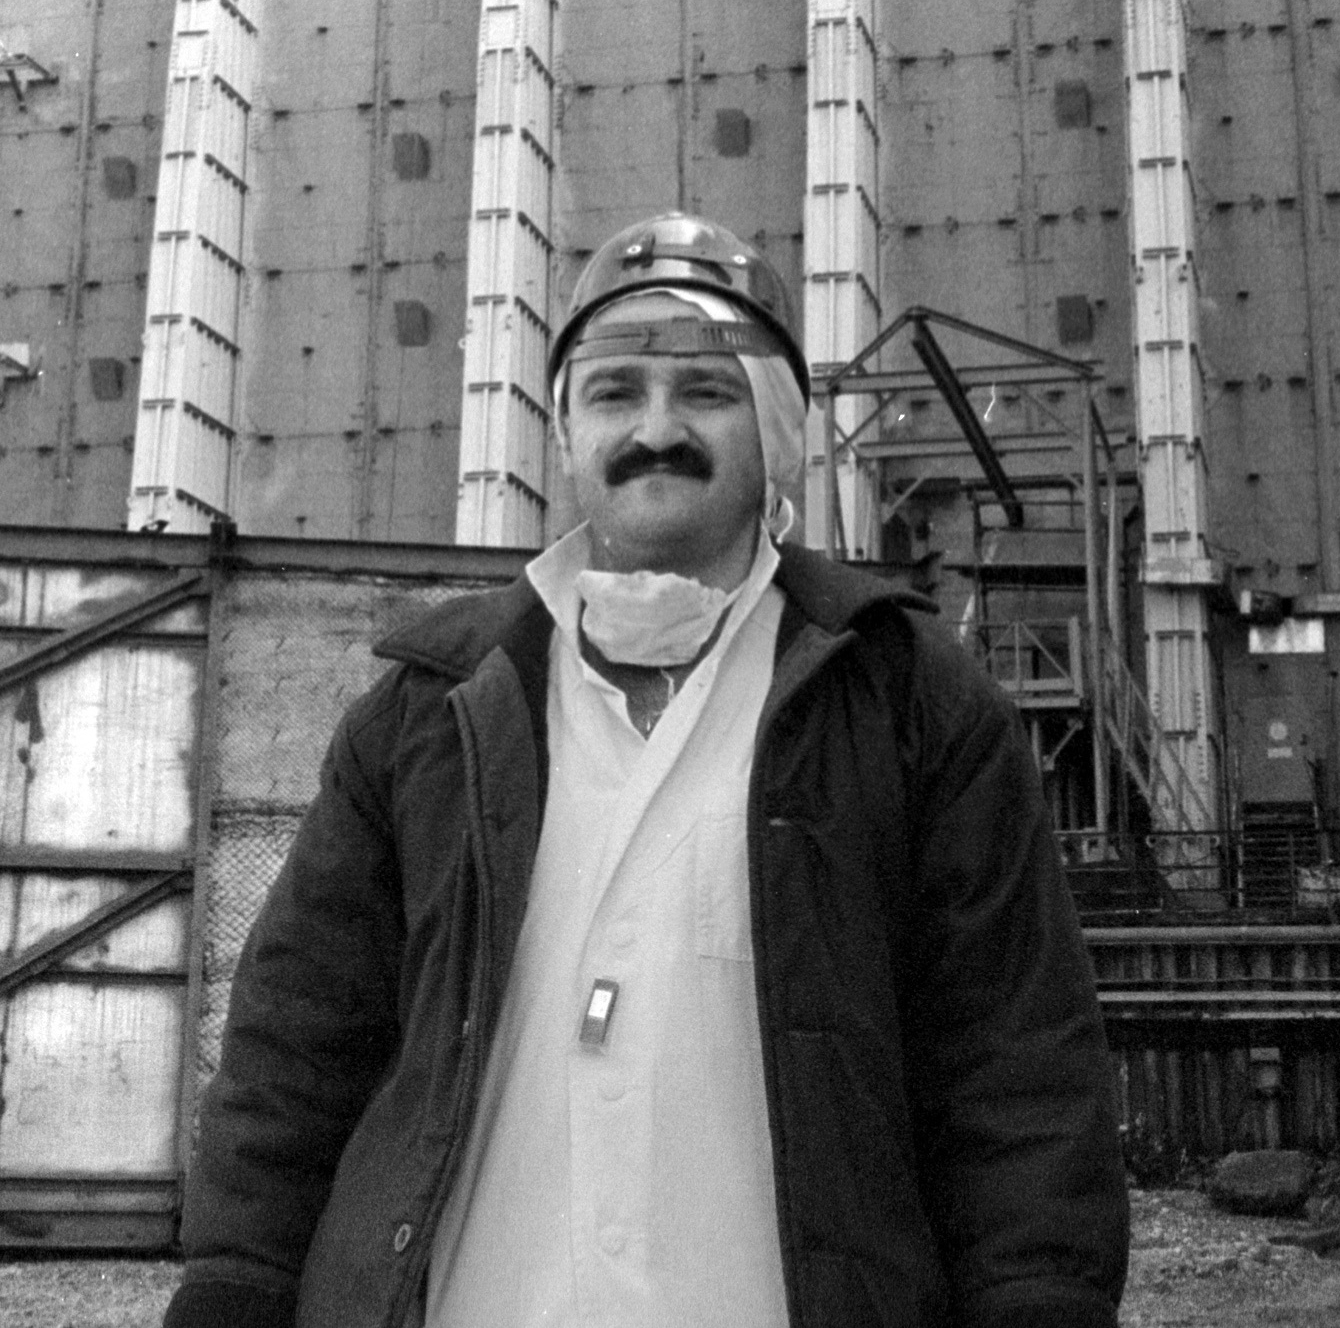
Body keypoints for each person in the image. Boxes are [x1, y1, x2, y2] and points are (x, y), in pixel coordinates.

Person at [164, 213, 1130, 1328]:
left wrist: (1038, 1299)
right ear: (569, 431)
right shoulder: (430, 710)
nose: (654, 429)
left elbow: (1013, 1064)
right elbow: (297, 1045)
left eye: (704, 392)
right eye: (616, 391)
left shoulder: (908, 699)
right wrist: (234, 1287)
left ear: (774, 428)